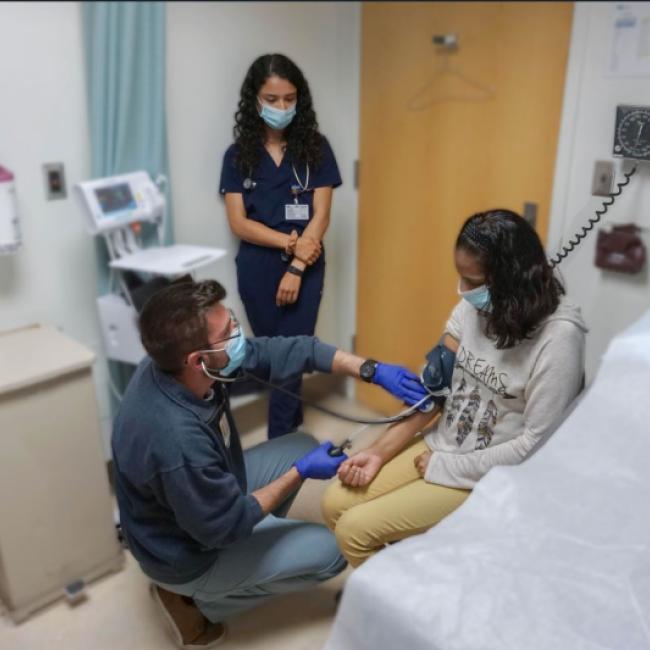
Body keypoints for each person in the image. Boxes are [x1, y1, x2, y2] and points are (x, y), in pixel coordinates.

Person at [111, 278, 427, 648]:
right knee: (332, 552)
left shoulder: (173, 366)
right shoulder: (177, 442)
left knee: (299, 444)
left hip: (196, 502)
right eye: (229, 332)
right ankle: (197, 603)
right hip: (186, 553)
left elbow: (288, 350)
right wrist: (300, 473)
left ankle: (251, 546)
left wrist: (369, 369)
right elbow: (226, 527)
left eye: (231, 320)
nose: (238, 333)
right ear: (197, 361)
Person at [321, 209, 587, 568]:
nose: (463, 292)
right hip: (440, 446)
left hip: (487, 475)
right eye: (462, 278)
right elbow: (433, 393)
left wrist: (445, 467)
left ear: (513, 280)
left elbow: (534, 447)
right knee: (333, 503)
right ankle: (395, 578)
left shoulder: (559, 339)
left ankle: (404, 607)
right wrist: (379, 453)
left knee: (354, 531)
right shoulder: (472, 310)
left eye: (473, 282)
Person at [219, 53, 341, 439]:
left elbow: (321, 216)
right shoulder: (237, 156)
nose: (282, 107)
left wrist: (297, 265)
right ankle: (295, 429)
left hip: (307, 266)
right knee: (276, 359)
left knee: (290, 357)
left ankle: (279, 446)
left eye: (290, 99)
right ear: (254, 100)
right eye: (272, 100)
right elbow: (240, 223)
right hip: (258, 268)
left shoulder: (316, 149)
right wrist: (291, 243)